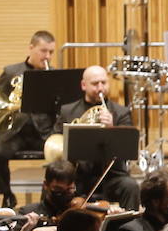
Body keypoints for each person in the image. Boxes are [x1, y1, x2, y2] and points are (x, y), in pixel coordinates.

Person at [0, 30, 57, 207]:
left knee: (65, 152)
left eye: (51, 52)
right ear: (31, 48)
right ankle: (7, 194)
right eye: (43, 51)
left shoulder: (55, 75)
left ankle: (47, 200)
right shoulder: (11, 72)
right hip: (16, 132)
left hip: (44, 134)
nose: (47, 56)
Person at [54, 65, 140, 209]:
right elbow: (55, 141)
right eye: (95, 84)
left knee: (130, 186)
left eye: (104, 83)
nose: (100, 88)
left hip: (111, 176)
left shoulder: (121, 113)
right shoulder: (68, 111)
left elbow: (125, 151)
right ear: (83, 85)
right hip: (78, 175)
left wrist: (112, 128)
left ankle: (129, 228)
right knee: (54, 184)